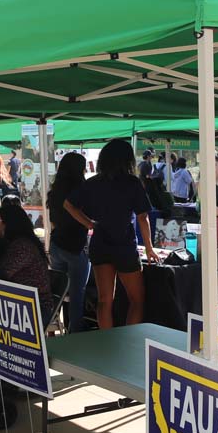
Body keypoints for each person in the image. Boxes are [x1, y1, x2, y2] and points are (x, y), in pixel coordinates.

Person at [64, 139, 159, 329]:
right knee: (137, 300)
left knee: (104, 300)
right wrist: (149, 248)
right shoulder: (132, 183)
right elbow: (142, 217)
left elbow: (68, 205)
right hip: (124, 245)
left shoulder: (93, 182)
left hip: (100, 243)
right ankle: (129, 340)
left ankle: (106, 342)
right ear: (127, 160)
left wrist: (89, 224)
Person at [0, 202, 53, 324]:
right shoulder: (12, 243)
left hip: (33, 307)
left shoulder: (23, 246)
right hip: (17, 302)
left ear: (7, 224)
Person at [47, 152, 91, 333]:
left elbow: (53, 220)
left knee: (58, 292)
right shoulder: (80, 189)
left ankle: (53, 328)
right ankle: (75, 333)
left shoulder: (55, 189)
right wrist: (91, 224)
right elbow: (86, 215)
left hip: (56, 244)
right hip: (75, 246)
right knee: (77, 293)